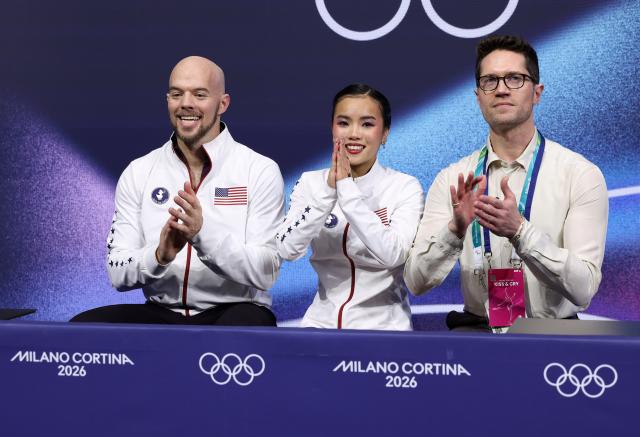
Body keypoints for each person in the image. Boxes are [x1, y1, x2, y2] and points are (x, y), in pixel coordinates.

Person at [403, 35, 608, 332]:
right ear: (478, 97)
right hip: (477, 332)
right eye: (490, 81)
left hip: (555, 335)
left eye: (514, 78)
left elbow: (583, 288)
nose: (500, 89)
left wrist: (520, 232)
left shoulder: (580, 175)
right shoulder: (453, 178)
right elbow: (415, 282)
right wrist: (454, 231)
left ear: (537, 92)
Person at [71, 56, 284, 325]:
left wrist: (202, 236)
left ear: (223, 103)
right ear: (167, 101)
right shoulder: (139, 171)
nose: (186, 103)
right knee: (85, 328)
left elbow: (267, 271)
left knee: (244, 325)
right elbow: (117, 273)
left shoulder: (259, 170)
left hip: (235, 311)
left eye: (199, 94)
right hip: (161, 312)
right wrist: (159, 256)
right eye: (176, 94)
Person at [277, 84, 424, 330]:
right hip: (319, 324)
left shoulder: (404, 186)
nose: (353, 134)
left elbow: (393, 255)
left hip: (386, 329)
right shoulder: (311, 182)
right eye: (344, 123)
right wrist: (327, 192)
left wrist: (347, 191)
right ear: (332, 128)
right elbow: (286, 248)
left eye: (367, 124)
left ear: (385, 133)